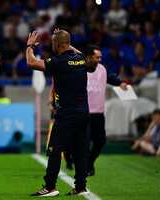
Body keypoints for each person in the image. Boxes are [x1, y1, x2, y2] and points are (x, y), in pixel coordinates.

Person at [27, 29, 90, 196]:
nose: (51, 45)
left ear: (58, 44)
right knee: (80, 151)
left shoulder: (58, 62)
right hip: (83, 113)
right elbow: (77, 52)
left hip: (66, 115)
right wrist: (65, 41)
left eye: (53, 42)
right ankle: (81, 186)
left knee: (54, 150)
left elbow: (31, 63)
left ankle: (50, 187)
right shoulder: (81, 59)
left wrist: (29, 46)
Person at [85, 45, 128, 176]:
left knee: (100, 142)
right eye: (97, 57)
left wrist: (120, 83)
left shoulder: (102, 69)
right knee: (85, 143)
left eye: (100, 57)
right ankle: (85, 167)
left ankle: (89, 162)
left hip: (98, 113)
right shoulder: (80, 70)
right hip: (84, 113)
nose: (99, 59)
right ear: (89, 57)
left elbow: (110, 77)